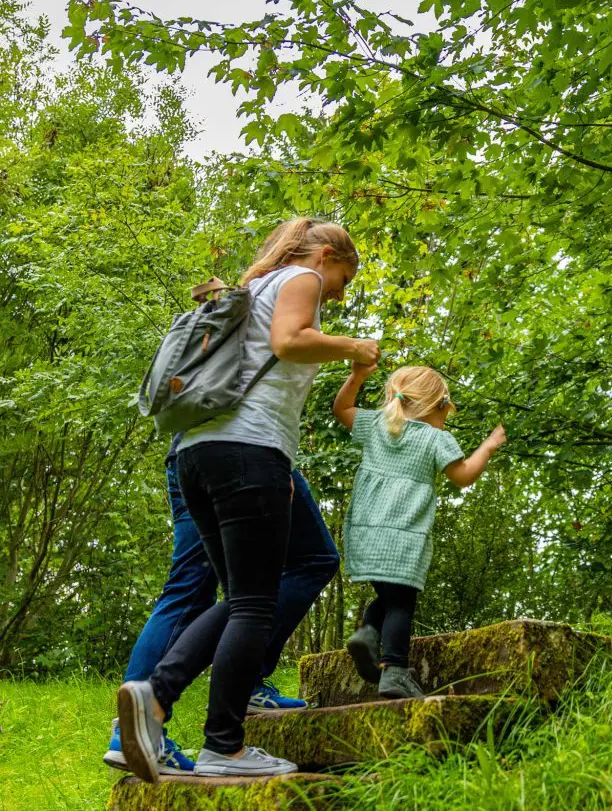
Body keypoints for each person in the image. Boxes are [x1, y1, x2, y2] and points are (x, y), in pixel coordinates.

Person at [117, 218, 380, 781]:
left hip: (198, 454)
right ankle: (224, 746)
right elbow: (289, 342)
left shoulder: (250, 287)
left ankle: (155, 699)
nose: (339, 290)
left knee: (240, 597)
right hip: (247, 451)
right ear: (328, 255)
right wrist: (354, 347)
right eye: (344, 276)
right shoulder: (301, 278)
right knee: (256, 602)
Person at [333, 364, 506, 698]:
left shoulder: (375, 425)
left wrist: (356, 376)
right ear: (436, 407)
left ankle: (367, 633)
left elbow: (340, 408)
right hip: (405, 534)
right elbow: (463, 475)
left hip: (367, 531)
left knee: (388, 594)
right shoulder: (434, 438)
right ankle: (394, 671)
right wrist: (489, 446)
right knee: (401, 603)